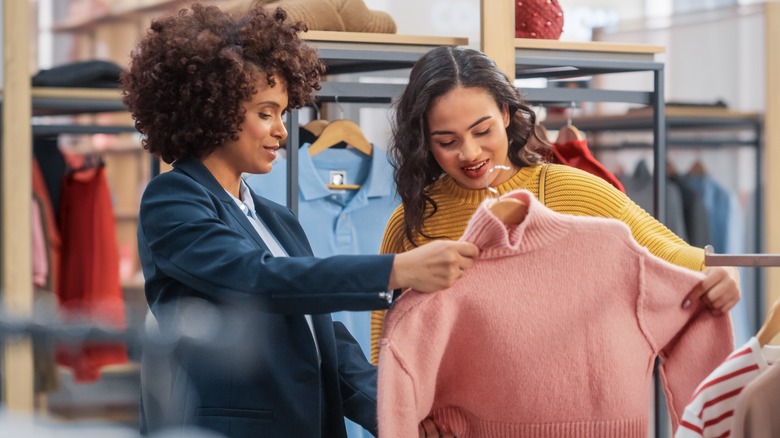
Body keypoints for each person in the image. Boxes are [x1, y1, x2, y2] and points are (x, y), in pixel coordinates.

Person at [119, 5, 478, 438]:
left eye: (283, 114)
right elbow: (255, 279)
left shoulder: (277, 218)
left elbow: (323, 337)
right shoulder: (173, 198)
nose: (283, 132)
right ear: (212, 110)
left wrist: (394, 414)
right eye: (265, 113)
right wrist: (397, 269)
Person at [369, 45, 741, 363]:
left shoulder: (573, 191)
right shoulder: (411, 222)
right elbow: (383, 341)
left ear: (505, 112)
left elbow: (675, 254)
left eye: (483, 131)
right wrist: (409, 413)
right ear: (424, 140)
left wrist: (722, 274)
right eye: (447, 141)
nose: (470, 153)